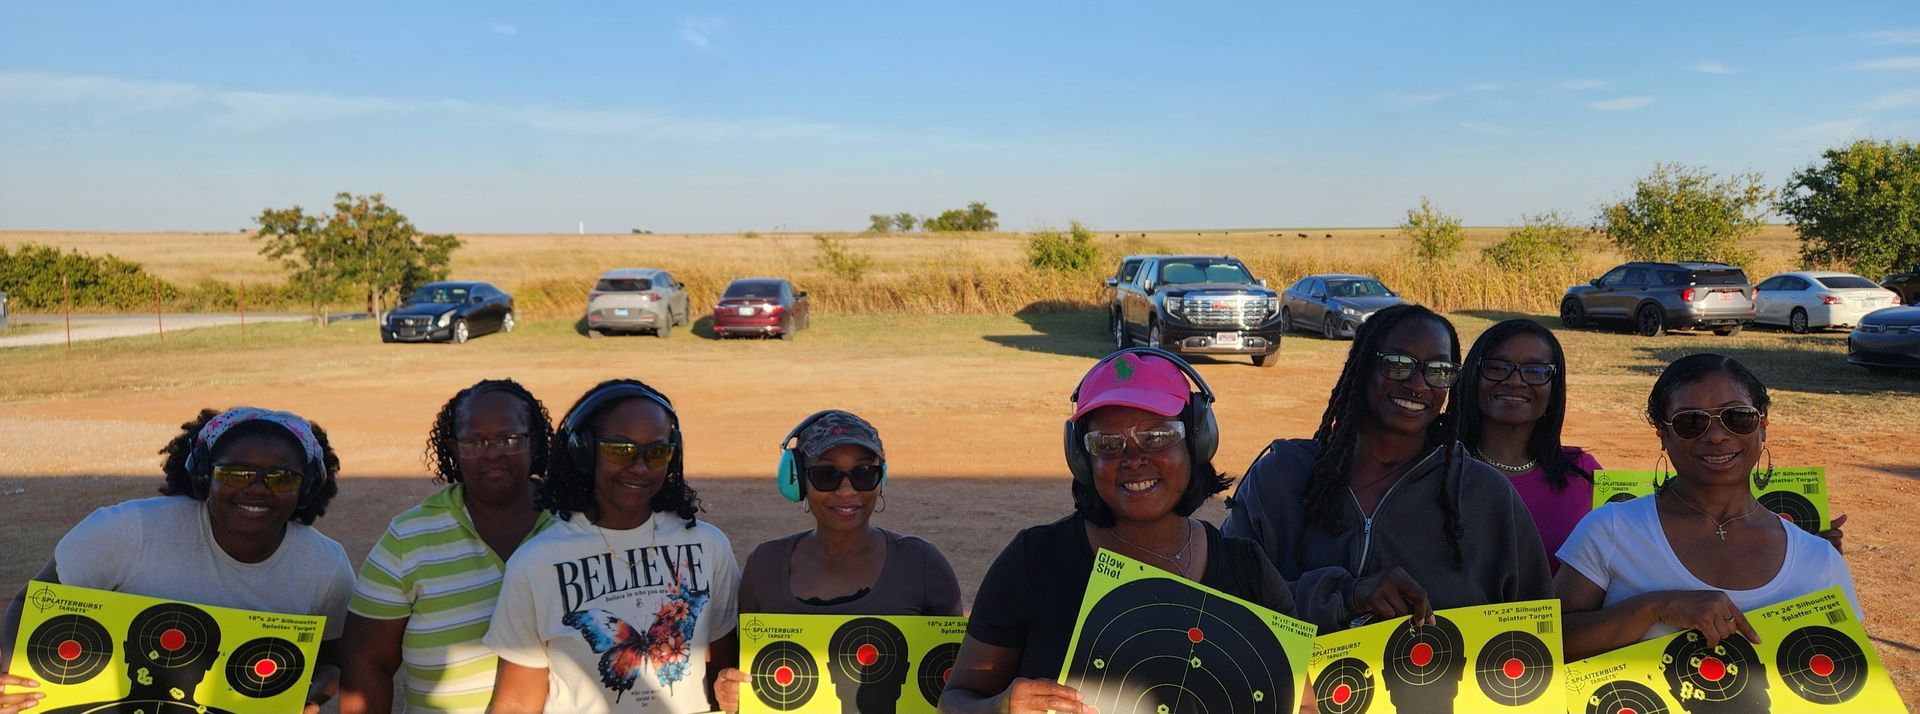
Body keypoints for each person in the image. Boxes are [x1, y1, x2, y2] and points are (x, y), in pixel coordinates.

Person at [940, 348, 1295, 714]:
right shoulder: (1034, 561)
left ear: (1198, 439)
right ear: (1081, 458)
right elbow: (954, 702)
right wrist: (1000, 707)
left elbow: (1301, 703)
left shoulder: (1249, 571)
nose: (1134, 458)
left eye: (1158, 436)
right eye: (1107, 444)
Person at [0, 407, 356, 714]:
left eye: (281, 478)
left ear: (307, 488)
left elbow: (337, 661)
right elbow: (31, 603)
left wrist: (302, 694)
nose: (258, 488)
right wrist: (14, 673)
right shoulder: (127, 531)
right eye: (235, 473)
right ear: (203, 476)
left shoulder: (323, 566)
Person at [1223, 304, 1553, 633]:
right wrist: (1343, 596)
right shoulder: (1280, 477)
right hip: (1286, 684)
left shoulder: (1485, 495)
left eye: (1439, 370)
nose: (1419, 384)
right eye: (1397, 364)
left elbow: (1534, 632)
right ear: (1364, 365)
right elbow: (1223, 600)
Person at [1556, 353, 1862, 662]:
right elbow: (1547, 644)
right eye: (1690, 421)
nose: (1716, 436)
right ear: (1662, 435)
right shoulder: (1610, 530)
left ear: (1763, 424)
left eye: (1738, 416)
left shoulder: (1820, 560)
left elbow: (1847, 674)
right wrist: (1656, 607)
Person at [483, 379, 740, 714]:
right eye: (621, 450)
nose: (640, 466)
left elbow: (725, 669)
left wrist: (732, 694)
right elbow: (517, 701)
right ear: (584, 452)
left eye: (657, 452)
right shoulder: (537, 562)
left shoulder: (709, 546)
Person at [712, 410, 962, 713]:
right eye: (826, 475)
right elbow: (745, 673)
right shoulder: (764, 565)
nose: (847, 491)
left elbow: (952, 680)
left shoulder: (923, 565)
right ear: (797, 480)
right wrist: (731, 689)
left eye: (864, 473)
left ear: (881, 479)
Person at [340, 379, 558, 714]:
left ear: (536, 442)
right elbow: (366, 661)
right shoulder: (409, 537)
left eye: (509, 438)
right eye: (473, 441)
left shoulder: (574, 524)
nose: (492, 452)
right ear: (454, 450)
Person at [1452, 318, 1599, 572]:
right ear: (1472, 378)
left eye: (1535, 370)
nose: (1515, 381)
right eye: (1497, 367)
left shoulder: (1585, 474)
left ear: (1554, 388)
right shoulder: (1437, 471)